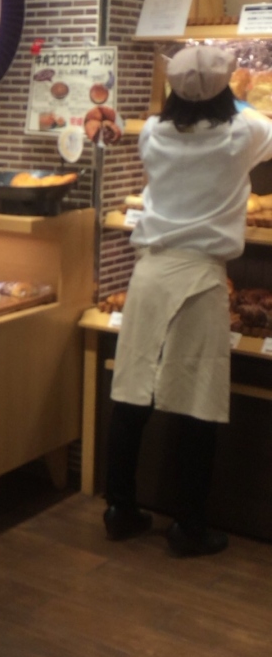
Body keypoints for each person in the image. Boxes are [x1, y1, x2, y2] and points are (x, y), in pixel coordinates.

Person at [104, 44, 272, 556]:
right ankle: (189, 526)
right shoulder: (244, 133)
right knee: (197, 400)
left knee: (132, 389)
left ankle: (119, 509)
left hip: (150, 271)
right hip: (202, 276)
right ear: (224, 89)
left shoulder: (154, 134)